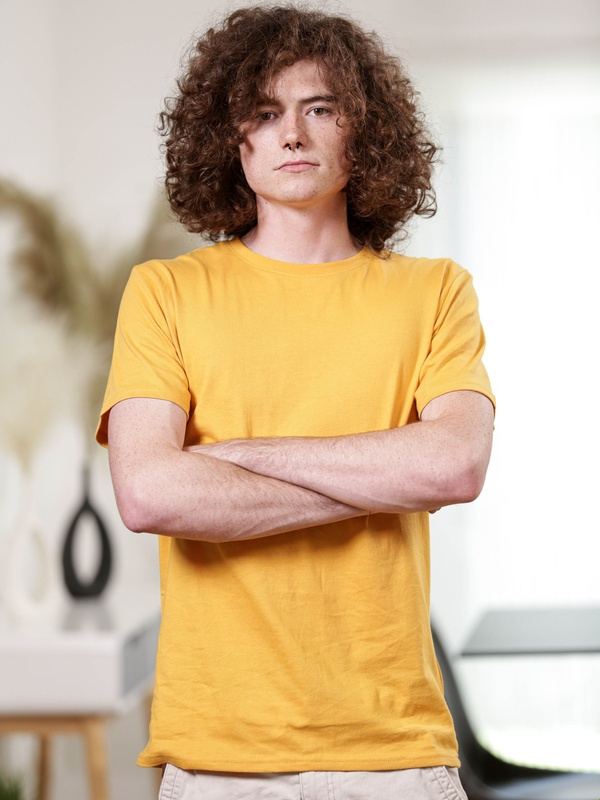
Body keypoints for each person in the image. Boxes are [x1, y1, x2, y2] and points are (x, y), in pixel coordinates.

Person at [96, 5, 495, 799]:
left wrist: (235, 459)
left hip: (396, 755)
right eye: (265, 112)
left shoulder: (436, 291)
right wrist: (382, 478)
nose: (292, 135)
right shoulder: (165, 292)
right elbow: (149, 493)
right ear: (229, 136)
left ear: (364, 129)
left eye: (320, 108)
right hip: (217, 759)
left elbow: (453, 466)